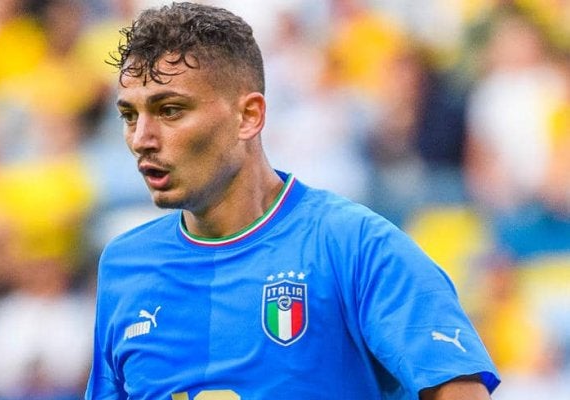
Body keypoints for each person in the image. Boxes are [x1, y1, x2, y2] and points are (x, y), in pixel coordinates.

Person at [85, 3, 500, 399]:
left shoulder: (355, 245)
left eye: (170, 110)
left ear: (248, 116)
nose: (141, 139)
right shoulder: (125, 264)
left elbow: (460, 390)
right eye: (129, 116)